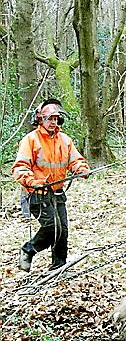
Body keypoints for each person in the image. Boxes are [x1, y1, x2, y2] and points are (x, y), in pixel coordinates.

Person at [12, 98, 90, 272]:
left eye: (56, 118)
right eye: (49, 119)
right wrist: (34, 182)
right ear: (40, 119)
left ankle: (58, 266)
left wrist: (81, 169)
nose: (53, 122)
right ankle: (28, 250)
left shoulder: (64, 139)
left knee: (62, 231)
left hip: (57, 193)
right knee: (53, 227)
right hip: (37, 195)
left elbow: (74, 159)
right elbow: (19, 168)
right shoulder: (31, 140)